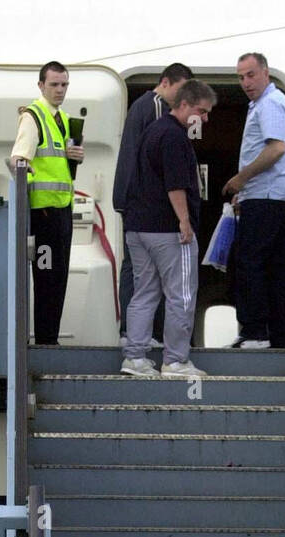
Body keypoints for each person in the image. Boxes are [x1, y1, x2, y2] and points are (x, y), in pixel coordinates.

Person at [121, 80, 217, 380]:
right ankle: (175, 360)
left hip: (138, 228)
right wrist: (185, 222)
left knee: (144, 292)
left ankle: (135, 357)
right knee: (182, 295)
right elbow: (175, 185)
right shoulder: (175, 137)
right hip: (167, 230)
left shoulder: (152, 130)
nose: (204, 119)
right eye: (201, 111)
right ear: (184, 105)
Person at [222, 52, 285, 349]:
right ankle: (279, 336)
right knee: (275, 266)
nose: (245, 82)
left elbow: (276, 149)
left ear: (265, 72)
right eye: (241, 77)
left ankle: (256, 332)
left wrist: (241, 180)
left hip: (266, 194)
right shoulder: (270, 103)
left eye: (250, 75)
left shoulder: (269, 104)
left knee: (249, 260)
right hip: (277, 195)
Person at [113, 63, 194, 341]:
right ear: (166, 83)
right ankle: (149, 333)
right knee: (153, 275)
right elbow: (160, 160)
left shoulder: (139, 106)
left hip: (128, 198)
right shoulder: (159, 110)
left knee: (133, 268)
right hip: (145, 204)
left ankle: (130, 332)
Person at [9, 61, 85, 345]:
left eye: (64, 84)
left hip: (61, 210)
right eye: (54, 84)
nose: (60, 90)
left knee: (57, 280)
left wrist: (75, 156)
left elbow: (56, 161)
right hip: (43, 214)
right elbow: (19, 159)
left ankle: (49, 338)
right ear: (41, 85)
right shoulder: (33, 116)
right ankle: (45, 341)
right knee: (46, 280)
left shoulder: (63, 119)